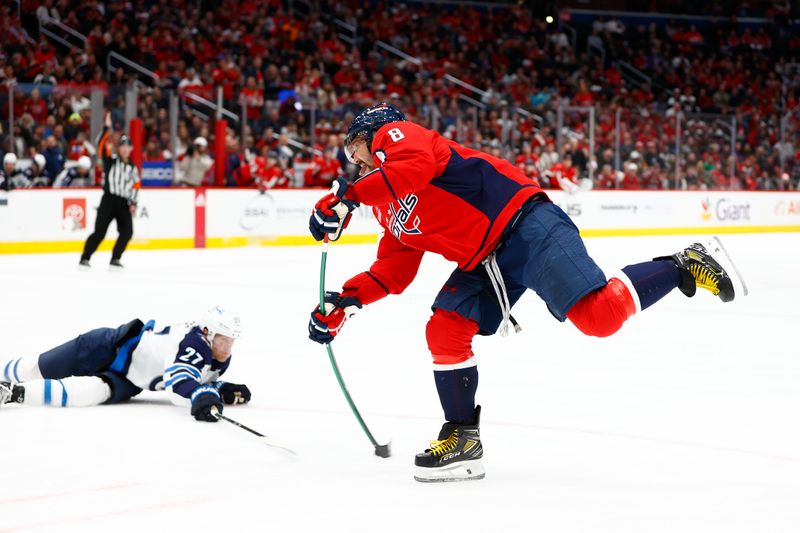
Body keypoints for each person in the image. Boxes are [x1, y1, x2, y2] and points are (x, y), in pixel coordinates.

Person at [306, 103, 746, 482]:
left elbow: (413, 169)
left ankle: (681, 264)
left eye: (354, 148)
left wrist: (350, 198)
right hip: (484, 259)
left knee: (600, 317)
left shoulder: (400, 137)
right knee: (444, 328)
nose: (352, 161)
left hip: (524, 224)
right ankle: (462, 437)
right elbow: (392, 271)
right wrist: (346, 301)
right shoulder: (385, 204)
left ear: (374, 135)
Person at [0, 306, 250, 422]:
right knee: (36, 368)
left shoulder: (218, 356)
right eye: (222, 340)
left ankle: (14, 393)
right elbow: (179, 381)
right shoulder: (194, 343)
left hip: (131, 380)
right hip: (105, 347)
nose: (227, 348)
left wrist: (219, 387)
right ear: (207, 332)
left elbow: (197, 378)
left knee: (93, 393)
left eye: (231, 342)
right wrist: (201, 393)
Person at [80, 112, 140, 270]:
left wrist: (133, 202)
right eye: (123, 146)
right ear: (118, 148)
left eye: (128, 146)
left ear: (131, 148)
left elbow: (136, 185)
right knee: (99, 232)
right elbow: (100, 143)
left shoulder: (132, 168)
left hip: (123, 203)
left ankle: (115, 258)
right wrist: (106, 127)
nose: (125, 149)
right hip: (108, 200)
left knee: (127, 232)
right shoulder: (111, 160)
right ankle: (85, 258)